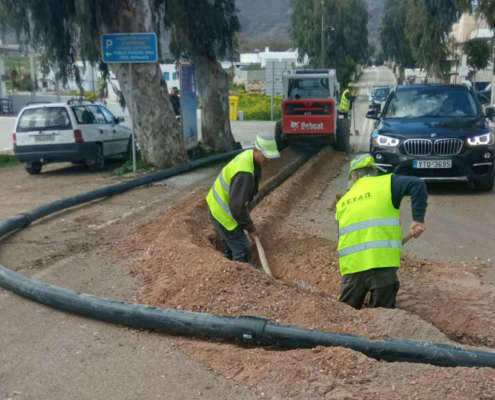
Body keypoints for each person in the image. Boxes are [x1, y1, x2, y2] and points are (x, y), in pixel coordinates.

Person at [335, 154, 428, 309]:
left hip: (352, 269)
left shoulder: (343, 201)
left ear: (354, 175)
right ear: (375, 171)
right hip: (382, 266)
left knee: (346, 316)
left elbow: (342, 238)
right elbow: (417, 185)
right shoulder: (386, 183)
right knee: (382, 317)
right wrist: (417, 220)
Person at [206, 132, 280, 262]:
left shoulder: (249, 157)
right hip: (223, 213)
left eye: (271, 157)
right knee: (243, 250)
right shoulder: (245, 173)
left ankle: (230, 268)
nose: (269, 160)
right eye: (266, 156)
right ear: (256, 150)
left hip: (218, 207)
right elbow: (237, 208)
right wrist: (250, 229)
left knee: (232, 246)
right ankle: (237, 277)